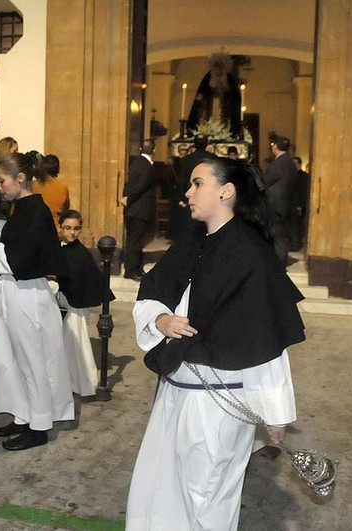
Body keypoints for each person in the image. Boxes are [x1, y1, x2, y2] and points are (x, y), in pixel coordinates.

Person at [125, 157, 304, 530]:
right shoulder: (192, 242)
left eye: (197, 184)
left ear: (226, 192)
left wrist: (276, 413)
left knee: (207, 493)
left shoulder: (252, 257)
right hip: (174, 390)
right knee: (162, 482)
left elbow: (267, 342)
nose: (187, 193)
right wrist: (160, 319)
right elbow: (153, 291)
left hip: (217, 406)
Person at [0, 151, 73, 451]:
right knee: (10, 358)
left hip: (27, 294)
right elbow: (9, 253)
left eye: (1, 181)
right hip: (13, 292)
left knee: (33, 360)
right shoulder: (21, 209)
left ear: (20, 178)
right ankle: (22, 415)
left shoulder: (37, 211)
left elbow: (22, 258)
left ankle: (40, 425)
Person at [56, 209, 115, 396]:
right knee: (63, 345)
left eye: (76, 228)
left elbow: (84, 279)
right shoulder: (58, 247)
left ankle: (84, 384)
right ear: (60, 227)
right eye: (67, 228)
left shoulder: (80, 253)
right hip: (62, 306)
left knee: (79, 344)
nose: (72, 232)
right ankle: (65, 382)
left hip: (76, 306)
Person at [121, 139, 156, 280]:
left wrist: (126, 197)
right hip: (140, 209)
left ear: (141, 148)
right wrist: (128, 198)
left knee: (133, 239)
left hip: (133, 209)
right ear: (154, 150)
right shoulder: (147, 166)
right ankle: (131, 270)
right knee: (136, 241)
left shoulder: (136, 163)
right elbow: (141, 186)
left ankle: (136, 267)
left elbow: (130, 183)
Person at [186, 52, 242, 137]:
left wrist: (226, 90)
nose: (219, 69)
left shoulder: (229, 80)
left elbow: (235, 98)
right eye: (217, 66)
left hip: (225, 113)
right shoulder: (207, 79)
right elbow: (201, 95)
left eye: (221, 66)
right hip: (208, 111)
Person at [262, 135, 299, 266]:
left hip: (276, 204)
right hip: (285, 202)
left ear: (276, 147)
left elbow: (266, 181)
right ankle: (280, 259)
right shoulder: (290, 162)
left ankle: (278, 261)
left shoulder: (279, 163)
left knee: (277, 234)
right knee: (281, 233)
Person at [34, 154, 71, 225]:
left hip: (36, 225)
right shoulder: (63, 187)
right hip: (56, 227)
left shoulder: (33, 185)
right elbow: (65, 210)